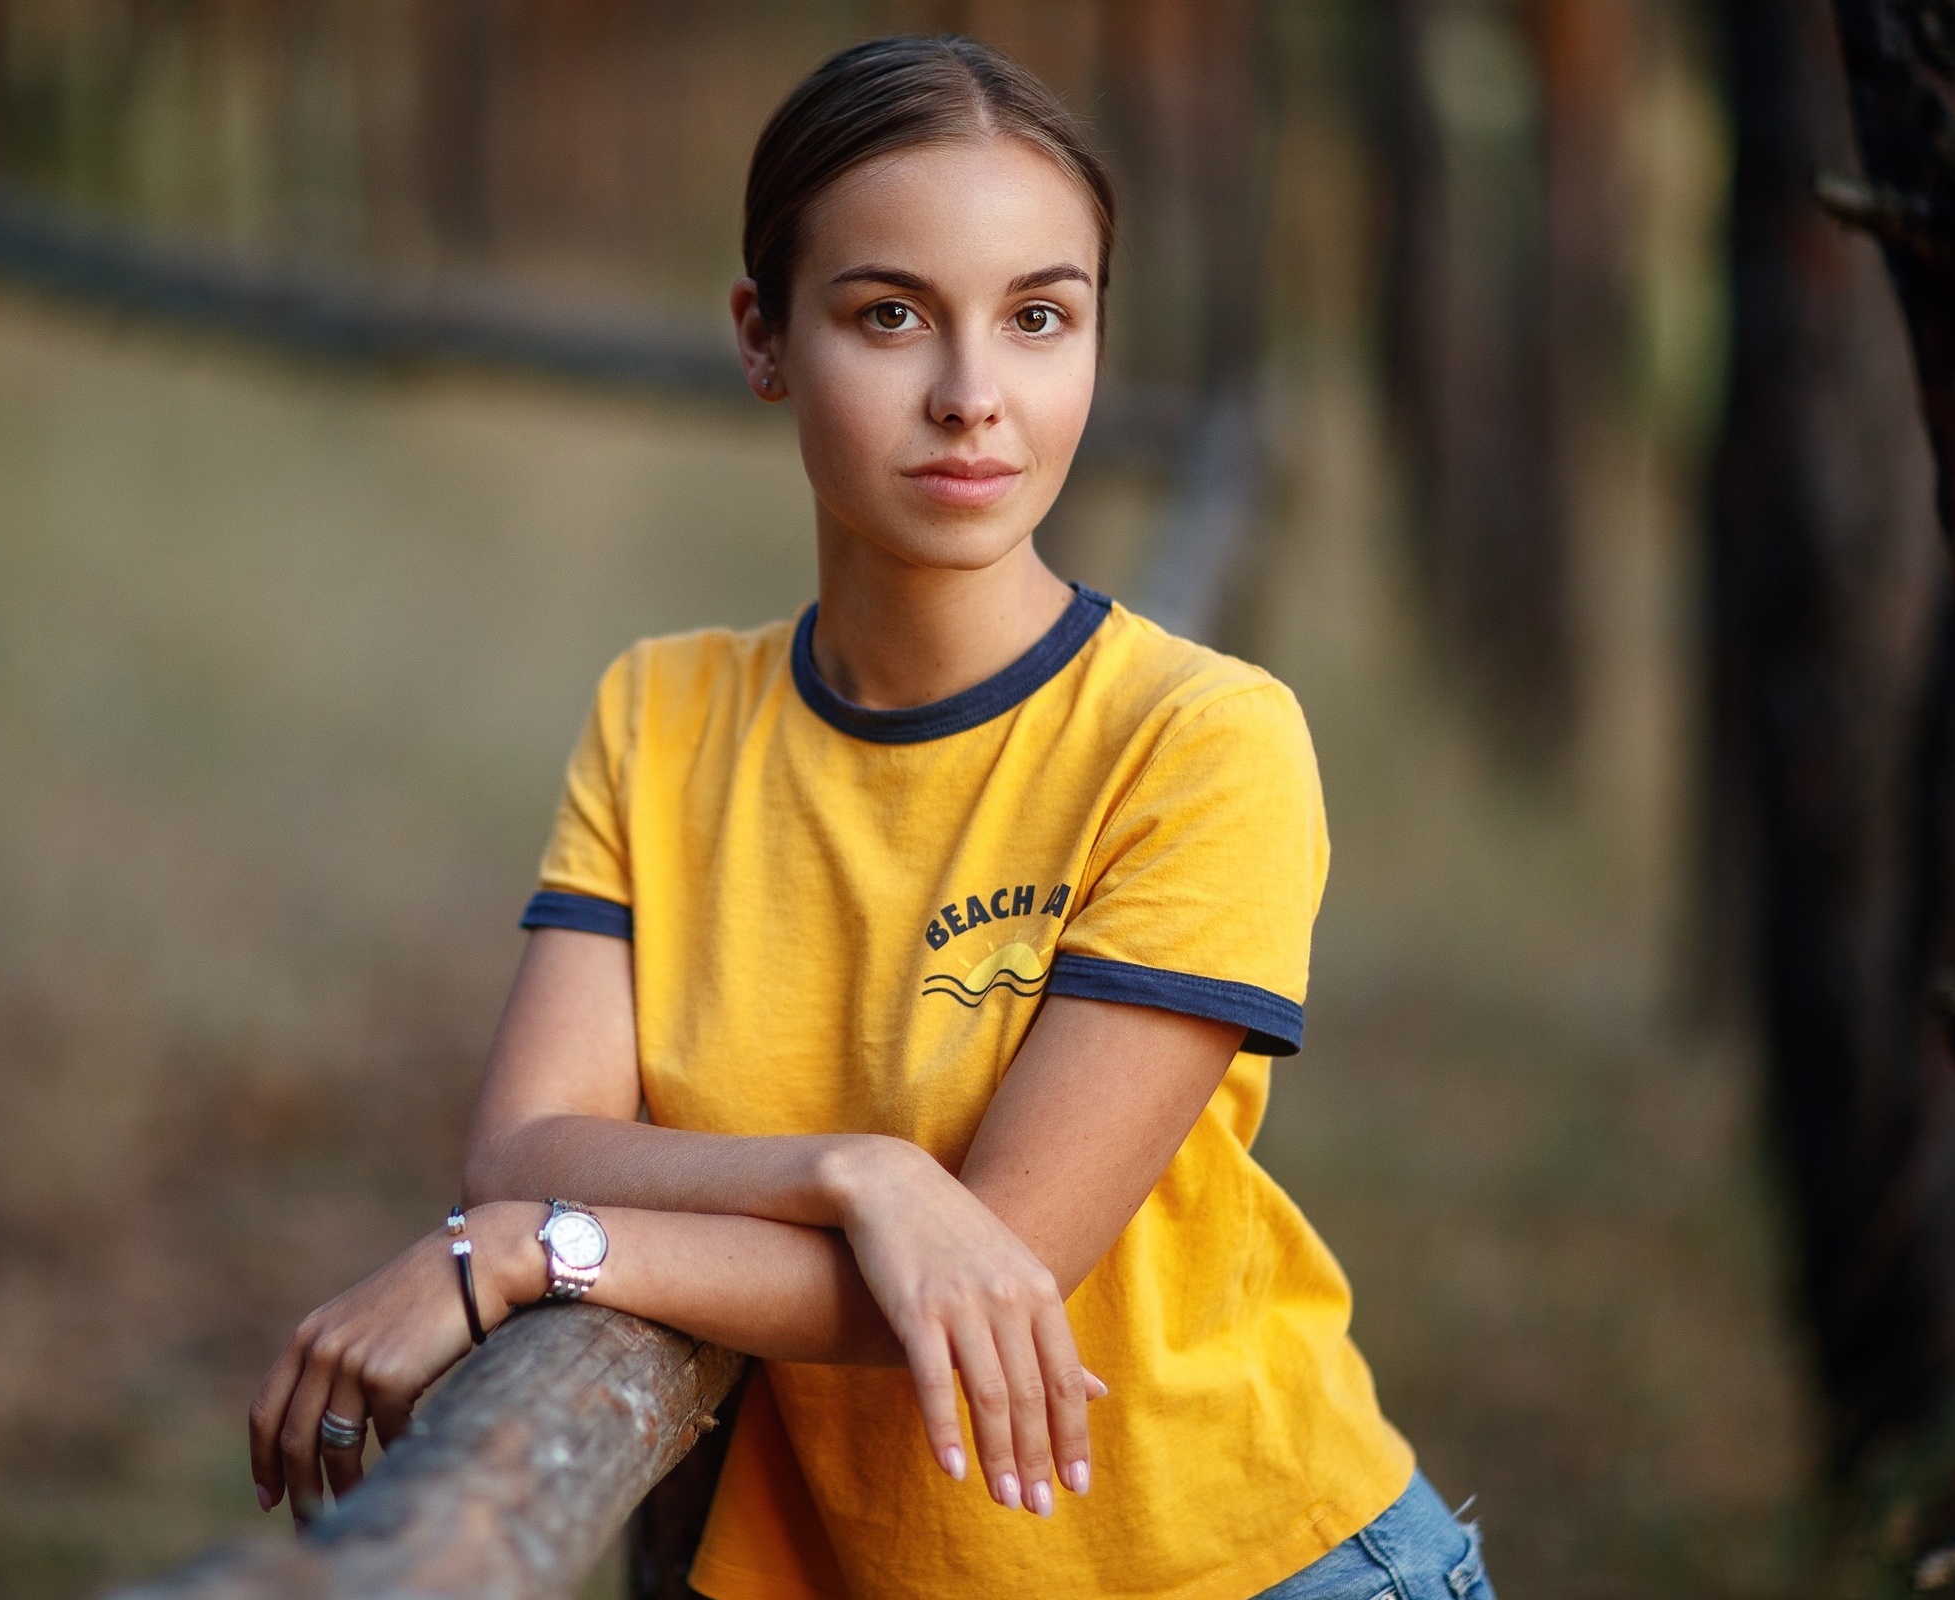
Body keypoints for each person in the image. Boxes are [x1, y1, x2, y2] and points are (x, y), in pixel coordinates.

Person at [250, 33, 1495, 1600]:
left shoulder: (1202, 743)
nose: (974, 397)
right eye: (890, 315)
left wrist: (535, 1252)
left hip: (1245, 1566)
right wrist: (868, 1176)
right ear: (764, 340)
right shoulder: (664, 712)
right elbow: (527, 1139)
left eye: (1039, 318)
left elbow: (998, 1265)